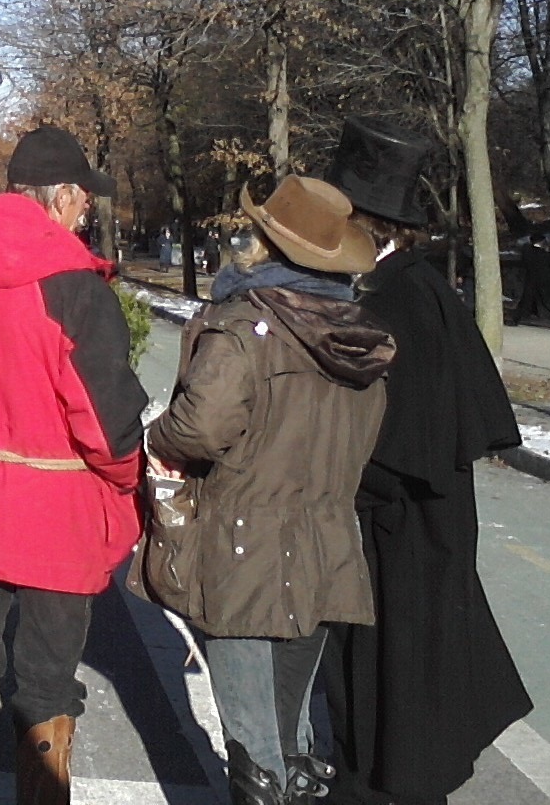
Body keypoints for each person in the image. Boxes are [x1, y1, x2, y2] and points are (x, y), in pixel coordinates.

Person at [0, 125, 148, 805]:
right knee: (45, 681)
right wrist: (129, 489)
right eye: (82, 201)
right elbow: (108, 427)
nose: (86, 213)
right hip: (58, 516)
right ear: (62, 196)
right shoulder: (76, 289)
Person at [144, 175, 394, 805]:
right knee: (294, 737)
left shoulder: (246, 325)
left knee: (255, 749)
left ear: (263, 244)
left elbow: (200, 428)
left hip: (242, 541)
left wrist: (157, 437)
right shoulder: (357, 337)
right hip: (325, 537)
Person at [321, 116, 532, 805]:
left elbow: (395, 444)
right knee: (398, 693)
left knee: (390, 694)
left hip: (401, 535)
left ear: (367, 224)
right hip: (415, 530)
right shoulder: (414, 288)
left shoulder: (399, 300)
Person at [510, 230, 550, 328]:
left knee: (525, 300)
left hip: (531, 280)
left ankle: (516, 319)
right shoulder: (546, 255)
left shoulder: (527, 252)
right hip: (546, 280)